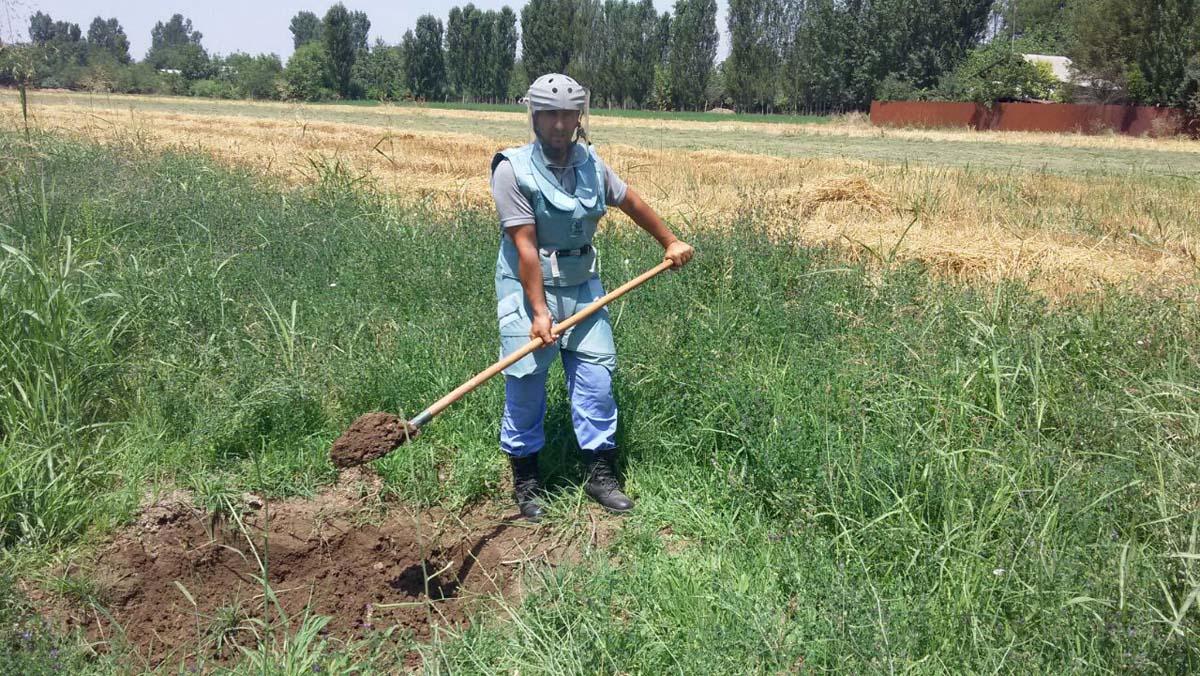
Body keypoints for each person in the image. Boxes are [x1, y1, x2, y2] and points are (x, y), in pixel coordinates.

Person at [490, 73, 693, 520]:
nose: (561, 125)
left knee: (597, 380)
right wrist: (539, 314)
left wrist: (669, 241)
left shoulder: (592, 164)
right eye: (551, 115)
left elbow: (631, 201)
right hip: (527, 288)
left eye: (569, 114)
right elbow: (525, 246)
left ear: (579, 117)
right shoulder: (511, 170)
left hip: (583, 285)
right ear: (535, 117)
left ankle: (600, 473)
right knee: (525, 381)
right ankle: (526, 480)